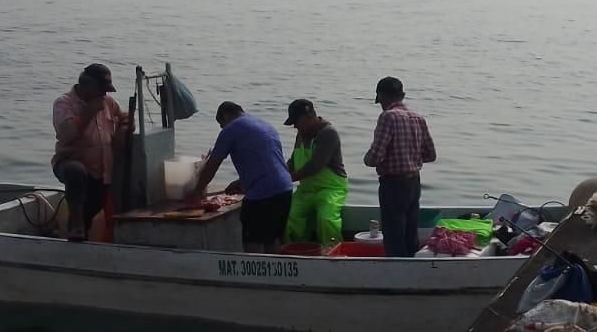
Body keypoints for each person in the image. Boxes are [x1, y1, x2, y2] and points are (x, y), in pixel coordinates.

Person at [185, 101, 294, 253]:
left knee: (253, 241)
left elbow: (212, 165)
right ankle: (273, 275)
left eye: (221, 125)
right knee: (273, 239)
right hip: (285, 189)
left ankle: (252, 276)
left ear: (224, 116)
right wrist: (241, 182)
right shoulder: (264, 124)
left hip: (263, 194)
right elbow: (267, 162)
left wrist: (197, 191)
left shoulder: (231, 129)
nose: (222, 129)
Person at [51, 63, 132, 242]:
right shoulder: (64, 103)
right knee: (76, 172)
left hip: (101, 172)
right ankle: (77, 227)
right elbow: (67, 134)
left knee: (94, 206)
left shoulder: (109, 103)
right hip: (69, 163)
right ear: (87, 86)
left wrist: (122, 130)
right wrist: (88, 112)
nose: (104, 95)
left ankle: (75, 231)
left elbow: (125, 117)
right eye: (101, 90)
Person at [362, 76, 436, 257]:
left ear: (382, 96)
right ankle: (412, 268)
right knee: (410, 232)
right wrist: (410, 158)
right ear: (401, 95)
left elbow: (375, 156)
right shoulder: (418, 118)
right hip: (414, 182)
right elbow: (430, 155)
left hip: (393, 184)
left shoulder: (388, 117)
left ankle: (397, 273)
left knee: (394, 234)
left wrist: (367, 159)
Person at [282, 99, 349, 247]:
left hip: (331, 189)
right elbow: (292, 161)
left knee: (326, 219)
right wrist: (279, 174)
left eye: (296, 121)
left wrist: (287, 179)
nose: (295, 126)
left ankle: (333, 253)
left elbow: (315, 165)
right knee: (287, 217)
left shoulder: (328, 133)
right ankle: (292, 251)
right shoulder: (300, 134)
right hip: (306, 190)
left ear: (309, 116)